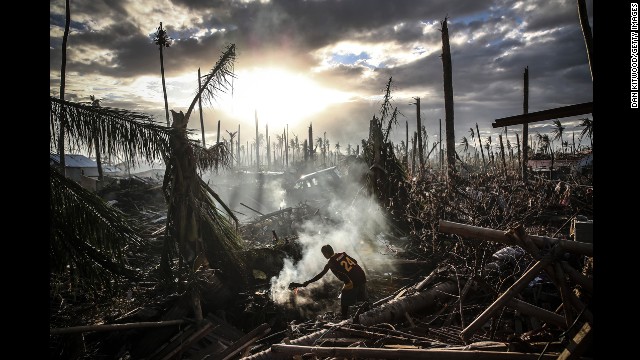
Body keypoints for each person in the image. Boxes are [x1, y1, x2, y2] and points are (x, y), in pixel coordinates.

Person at [289, 244, 368, 319]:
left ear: (326, 253)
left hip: (352, 280)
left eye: (323, 254)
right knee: (362, 296)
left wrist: (307, 282)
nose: (324, 256)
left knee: (344, 297)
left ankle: (344, 318)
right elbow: (355, 261)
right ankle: (368, 310)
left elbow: (320, 275)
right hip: (361, 274)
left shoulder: (331, 263)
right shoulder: (343, 254)